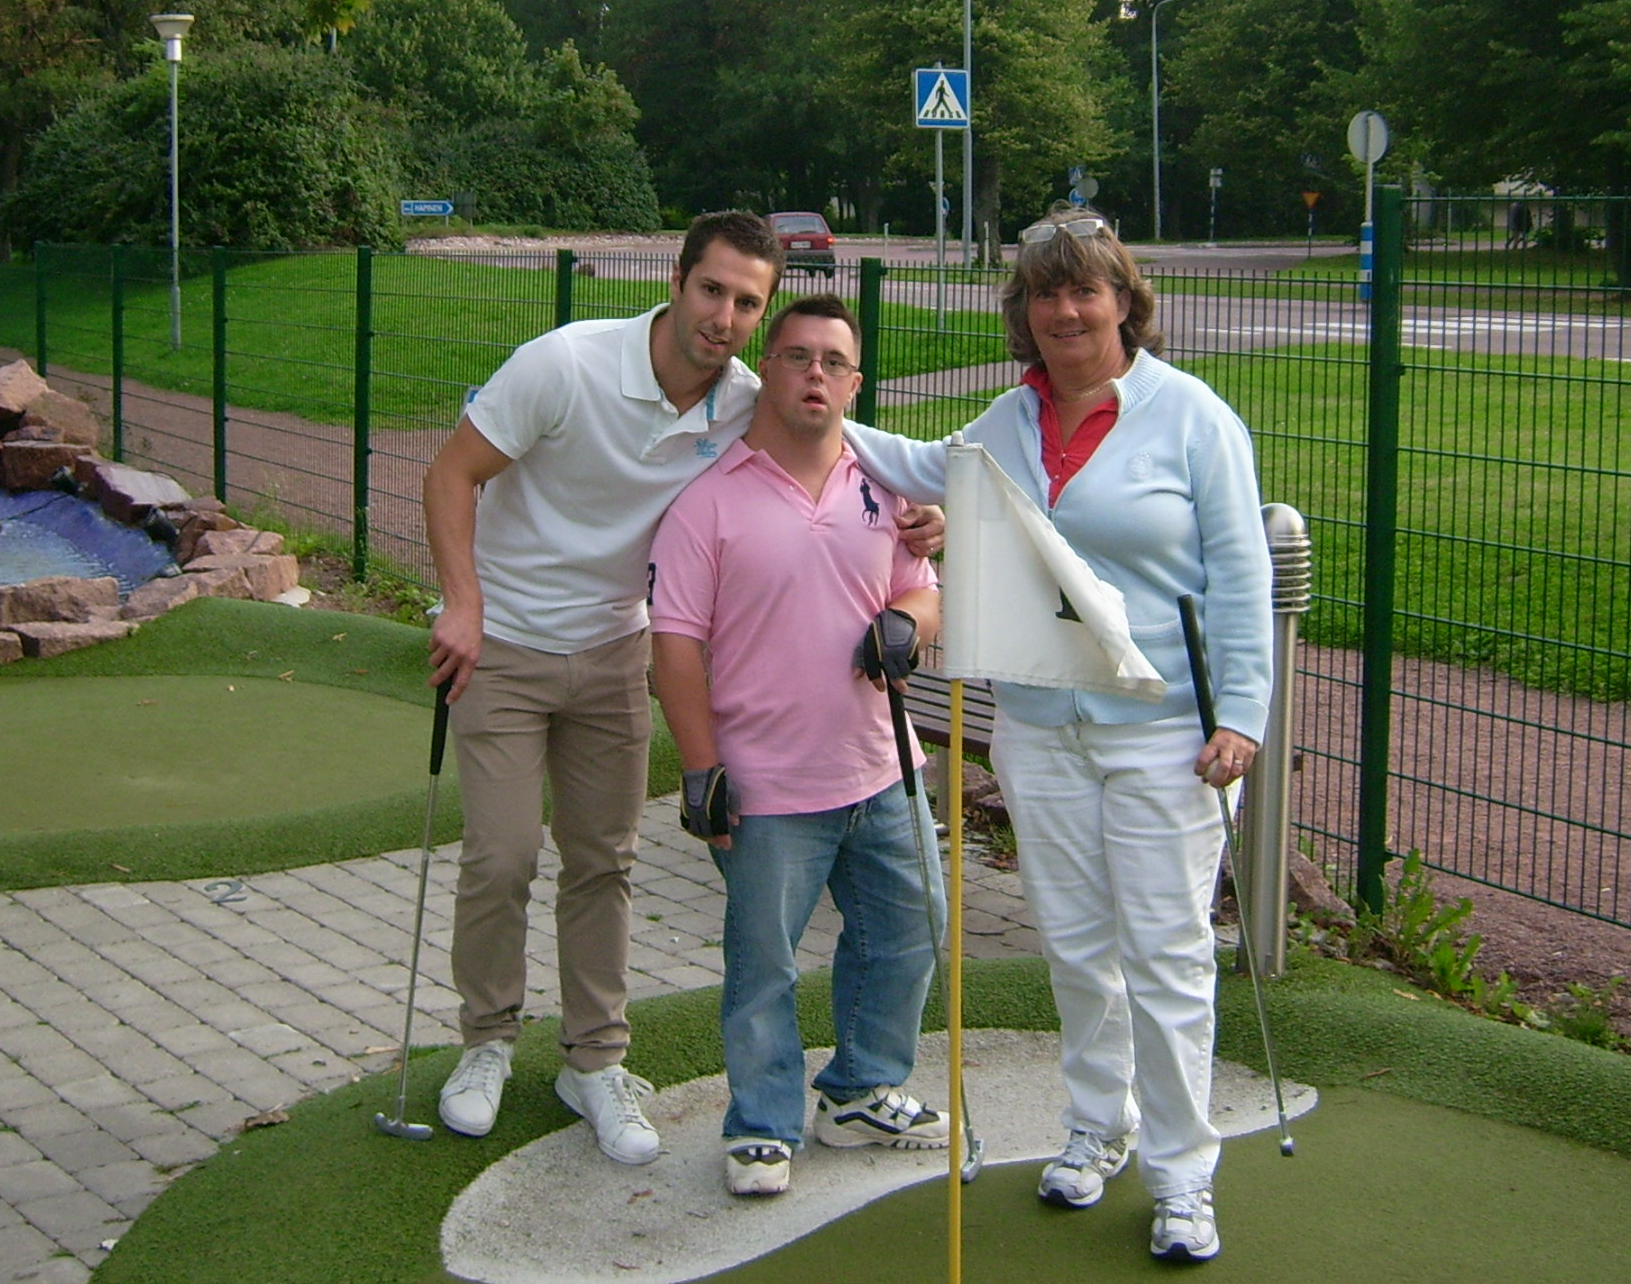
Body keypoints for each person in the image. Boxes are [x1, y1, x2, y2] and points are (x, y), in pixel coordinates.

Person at [420, 213, 940, 1166]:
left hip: (616, 649)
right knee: (501, 857)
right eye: (712, 291)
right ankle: (487, 1041)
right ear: (676, 279)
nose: (724, 317)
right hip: (506, 644)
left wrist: (922, 501)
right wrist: (462, 602)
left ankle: (594, 1060)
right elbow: (453, 474)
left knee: (602, 861)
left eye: (747, 302)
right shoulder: (566, 364)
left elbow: (829, 416)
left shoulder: (742, 395)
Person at [843, 209, 1273, 1265]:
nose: (1066, 310)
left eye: (1085, 290)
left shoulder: (1192, 417)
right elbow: (917, 463)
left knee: (1166, 956)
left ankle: (1183, 1175)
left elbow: (1240, 575)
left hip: (1165, 733)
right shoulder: (1006, 421)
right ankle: (1097, 1124)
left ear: (1125, 301)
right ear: (1024, 313)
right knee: (1078, 947)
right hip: (1040, 726)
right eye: (1046, 293)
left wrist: (1242, 715)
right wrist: (793, 398)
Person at [648, 294, 948, 1197]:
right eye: (798, 356)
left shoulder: (883, 490)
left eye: (834, 361)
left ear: (854, 384)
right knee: (763, 965)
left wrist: (908, 621)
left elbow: (923, 589)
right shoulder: (707, 504)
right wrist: (699, 768)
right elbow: (676, 646)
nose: (816, 373)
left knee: (907, 936)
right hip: (766, 786)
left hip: (884, 769)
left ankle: (860, 1092)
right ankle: (761, 1124)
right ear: (767, 372)